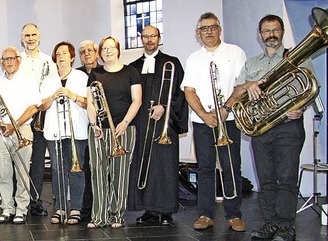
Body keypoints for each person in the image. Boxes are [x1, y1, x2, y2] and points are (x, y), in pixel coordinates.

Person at [225, 15, 305, 241]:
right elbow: (238, 89)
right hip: (261, 128)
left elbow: (310, 85)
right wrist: (249, 85)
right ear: (260, 35)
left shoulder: (296, 58)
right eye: (266, 31)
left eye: (275, 30)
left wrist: (301, 107)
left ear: (282, 32)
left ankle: (286, 226)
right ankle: (271, 223)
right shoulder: (252, 63)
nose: (271, 34)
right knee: (266, 180)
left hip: (289, 127)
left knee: (287, 179)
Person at [180, 12, 247, 232]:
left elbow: (241, 86)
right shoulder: (193, 58)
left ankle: (234, 214)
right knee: (205, 168)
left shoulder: (235, 53)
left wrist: (225, 109)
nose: (208, 32)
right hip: (203, 122)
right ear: (198, 33)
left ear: (219, 29)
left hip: (228, 119)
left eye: (212, 27)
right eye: (204, 28)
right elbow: (189, 91)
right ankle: (205, 213)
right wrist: (204, 115)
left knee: (231, 167)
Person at [127, 25, 188, 226]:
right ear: (141, 39)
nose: (149, 40)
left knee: (165, 167)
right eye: (145, 36)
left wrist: (165, 107)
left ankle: (167, 211)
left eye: (153, 36)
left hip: (165, 125)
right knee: (145, 166)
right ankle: (149, 210)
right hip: (142, 125)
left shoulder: (172, 63)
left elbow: (180, 94)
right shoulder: (134, 66)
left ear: (159, 38)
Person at [85, 36, 142, 229]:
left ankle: (117, 215)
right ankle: (99, 216)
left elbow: (137, 101)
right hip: (100, 130)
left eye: (111, 48)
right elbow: (91, 102)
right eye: (104, 49)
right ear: (100, 53)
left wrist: (125, 122)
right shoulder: (95, 74)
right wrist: (94, 125)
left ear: (118, 50)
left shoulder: (130, 72)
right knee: (98, 173)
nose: (108, 51)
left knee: (120, 173)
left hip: (123, 129)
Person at [0, 46, 39, 224]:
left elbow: (33, 107)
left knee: (23, 173)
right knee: (4, 173)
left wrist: (14, 125)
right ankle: (7, 208)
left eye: (12, 58)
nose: (8, 62)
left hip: (22, 130)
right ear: (1, 62)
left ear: (19, 60)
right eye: (5, 59)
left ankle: (21, 209)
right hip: (1, 131)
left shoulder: (29, 80)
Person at [39, 42, 89, 225]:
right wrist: (53, 96)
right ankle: (59, 207)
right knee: (56, 170)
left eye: (64, 53)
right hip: (54, 132)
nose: (61, 57)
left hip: (77, 131)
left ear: (72, 57)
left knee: (76, 170)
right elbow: (42, 106)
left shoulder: (81, 77)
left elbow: (87, 103)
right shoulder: (48, 79)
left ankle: (76, 208)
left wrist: (71, 95)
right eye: (58, 54)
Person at [19, 23, 58, 217]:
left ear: (39, 36)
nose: (31, 38)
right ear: (22, 38)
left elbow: (52, 87)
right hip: (23, 117)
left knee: (38, 161)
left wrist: (44, 103)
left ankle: (34, 200)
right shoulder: (16, 60)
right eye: (27, 35)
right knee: (20, 159)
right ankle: (20, 201)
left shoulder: (48, 62)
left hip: (42, 116)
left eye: (34, 34)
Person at [77, 39, 101, 220]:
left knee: (101, 168)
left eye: (90, 51)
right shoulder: (76, 74)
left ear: (97, 53)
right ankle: (87, 206)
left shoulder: (104, 71)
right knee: (87, 168)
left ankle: (102, 204)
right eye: (83, 52)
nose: (86, 54)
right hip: (81, 127)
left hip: (101, 126)